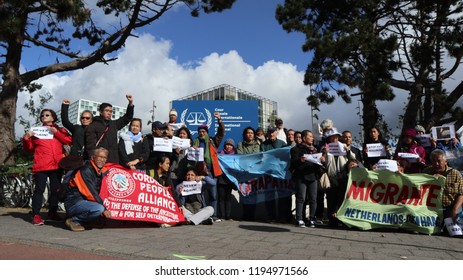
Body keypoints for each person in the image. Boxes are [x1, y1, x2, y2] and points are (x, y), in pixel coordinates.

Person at [23, 109, 73, 225]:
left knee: (56, 190)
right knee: (39, 190)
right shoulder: (36, 131)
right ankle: (36, 214)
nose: (43, 117)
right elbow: (28, 149)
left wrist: (57, 133)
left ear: (53, 117)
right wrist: (26, 138)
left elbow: (69, 140)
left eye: (47, 115)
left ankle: (52, 213)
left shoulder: (60, 130)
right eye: (42, 115)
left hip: (56, 164)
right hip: (42, 164)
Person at [64, 148, 112, 231]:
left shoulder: (100, 170)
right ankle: (74, 220)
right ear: (93, 157)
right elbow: (90, 193)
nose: (102, 160)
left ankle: (85, 220)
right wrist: (104, 208)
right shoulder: (85, 170)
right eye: (100, 157)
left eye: (104, 158)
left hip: (85, 202)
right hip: (74, 202)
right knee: (99, 209)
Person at [189, 112, 225, 222]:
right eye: (200, 131)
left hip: (211, 172)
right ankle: (204, 216)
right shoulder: (194, 143)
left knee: (213, 195)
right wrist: (192, 148)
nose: (201, 133)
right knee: (202, 195)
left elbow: (221, 133)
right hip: (200, 173)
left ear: (207, 132)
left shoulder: (213, 141)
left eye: (204, 131)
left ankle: (214, 216)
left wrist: (219, 120)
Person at [85, 94, 134, 164]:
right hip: (99, 161)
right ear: (101, 112)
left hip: (113, 160)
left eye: (111, 111)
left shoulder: (114, 124)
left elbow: (127, 118)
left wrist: (130, 104)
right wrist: (93, 157)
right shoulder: (93, 126)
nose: (109, 113)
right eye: (107, 111)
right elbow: (90, 146)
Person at [290, 130, 323, 228]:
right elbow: (292, 163)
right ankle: (299, 219)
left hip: (313, 176)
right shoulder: (296, 149)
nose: (312, 138)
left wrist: (322, 160)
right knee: (301, 198)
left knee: (313, 198)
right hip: (301, 177)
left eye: (312, 136)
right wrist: (300, 160)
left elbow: (318, 163)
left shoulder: (315, 149)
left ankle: (312, 219)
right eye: (310, 136)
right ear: (304, 138)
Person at [423, 149, 463, 225]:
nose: (436, 164)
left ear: (446, 161)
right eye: (434, 161)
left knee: (453, 232)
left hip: (449, 208)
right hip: (431, 208)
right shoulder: (426, 172)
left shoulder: (455, 174)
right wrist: (431, 179)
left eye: (439, 161)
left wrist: (455, 209)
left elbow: (461, 194)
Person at [321, 127, 349, 226]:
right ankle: (332, 220)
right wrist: (324, 153)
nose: (335, 139)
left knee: (341, 198)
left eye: (336, 137)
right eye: (333, 138)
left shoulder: (344, 146)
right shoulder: (326, 148)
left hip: (342, 176)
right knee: (331, 198)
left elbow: (352, 159)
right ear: (329, 139)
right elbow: (322, 162)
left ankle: (341, 219)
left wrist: (348, 151)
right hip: (331, 176)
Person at [261, 126, 289, 223]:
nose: (271, 134)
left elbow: (287, 156)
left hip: (280, 174)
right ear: (267, 134)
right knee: (269, 195)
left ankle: (282, 216)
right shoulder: (263, 145)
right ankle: (270, 216)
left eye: (273, 132)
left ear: (276, 133)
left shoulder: (282, 143)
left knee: (282, 195)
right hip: (268, 174)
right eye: (269, 132)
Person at [236, 126, 261, 221]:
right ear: (244, 134)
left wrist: (248, 159)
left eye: (251, 133)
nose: (250, 134)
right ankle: (245, 215)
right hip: (243, 172)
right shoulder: (240, 144)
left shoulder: (257, 145)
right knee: (243, 193)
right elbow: (240, 156)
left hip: (253, 173)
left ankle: (252, 216)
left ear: (254, 135)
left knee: (253, 194)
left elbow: (255, 157)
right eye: (248, 133)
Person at [217, 138, 236, 220]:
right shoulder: (220, 155)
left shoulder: (235, 156)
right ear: (224, 146)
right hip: (221, 179)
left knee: (228, 198)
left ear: (233, 147)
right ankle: (222, 215)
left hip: (229, 179)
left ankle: (228, 216)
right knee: (221, 198)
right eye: (227, 144)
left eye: (231, 145)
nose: (229, 146)